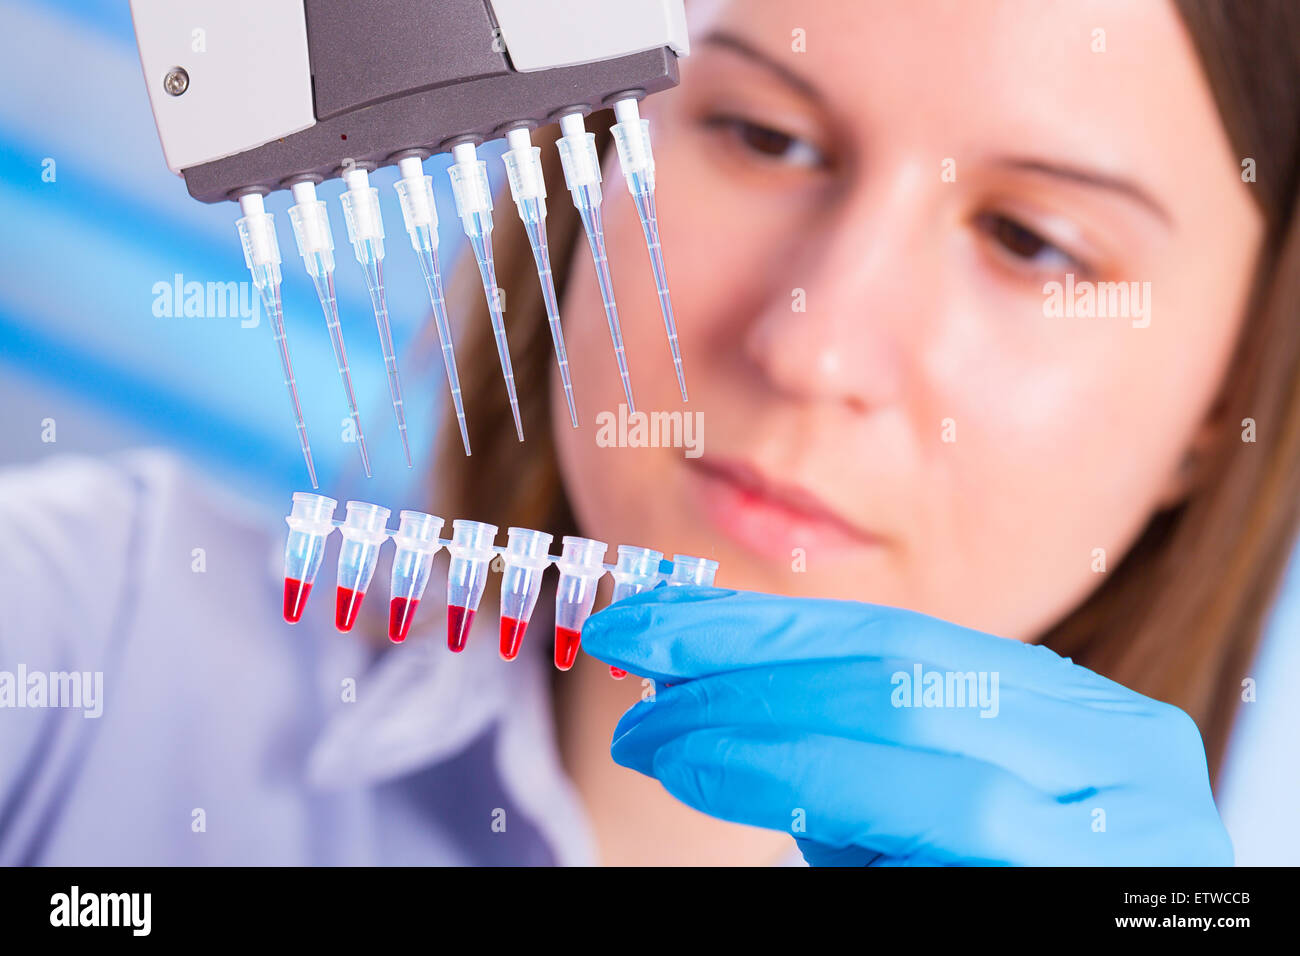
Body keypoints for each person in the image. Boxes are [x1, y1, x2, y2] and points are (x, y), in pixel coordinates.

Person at [1, 0, 1297, 865]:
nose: (811, 346)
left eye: (1032, 242)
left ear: (1222, 406)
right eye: (760, 133)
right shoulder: (90, 637)